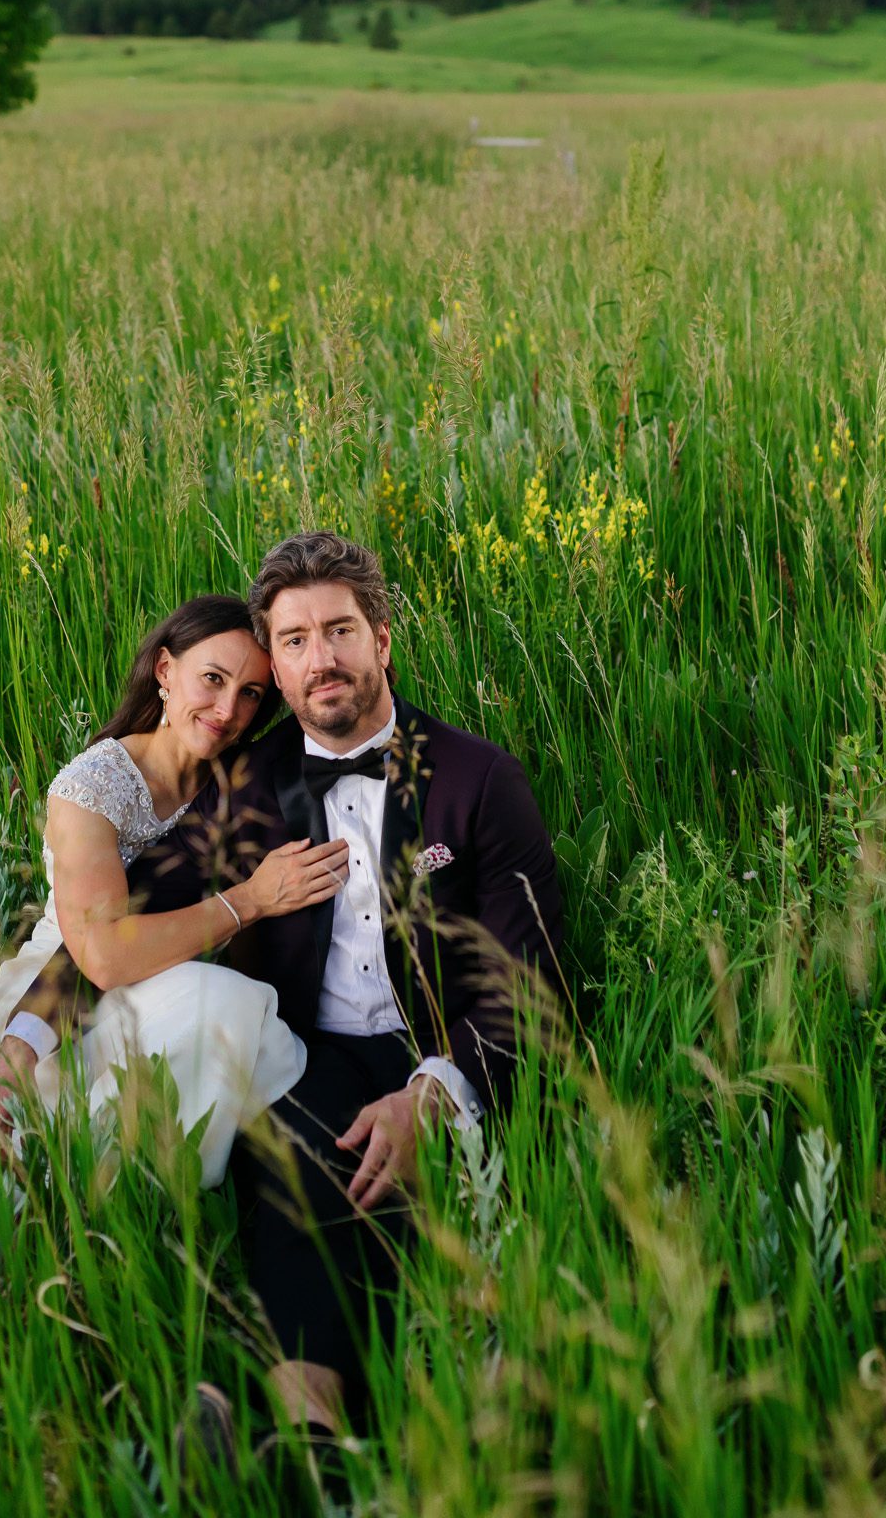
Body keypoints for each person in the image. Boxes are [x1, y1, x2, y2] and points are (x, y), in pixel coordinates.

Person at [167, 531, 565, 1463]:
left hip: (446, 1043)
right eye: (295, 640)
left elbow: (527, 975)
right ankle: (307, 1437)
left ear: (382, 638)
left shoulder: (479, 780)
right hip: (309, 1048)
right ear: (275, 659)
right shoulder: (246, 782)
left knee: (383, 1156)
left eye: (340, 630)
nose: (322, 658)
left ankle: (266, 1403)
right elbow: (132, 908)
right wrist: (28, 1029)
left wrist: (436, 1091)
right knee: (310, 1148)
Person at [0, 593, 349, 1191]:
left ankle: (291, 1190)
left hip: (173, 982)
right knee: (232, 1008)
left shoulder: (236, 778)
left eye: (251, 692)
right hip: (63, 1002)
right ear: (165, 671)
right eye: (212, 678)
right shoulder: (93, 787)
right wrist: (251, 900)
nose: (228, 708)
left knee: (271, 1042)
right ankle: (103, 1192)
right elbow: (103, 956)